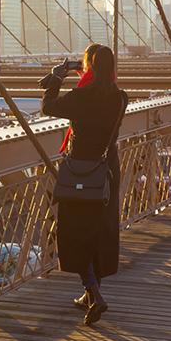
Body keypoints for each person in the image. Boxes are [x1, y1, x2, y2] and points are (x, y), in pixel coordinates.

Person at [41, 43, 128, 326]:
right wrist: (87, 71)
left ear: (89, 67)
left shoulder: (80, 96)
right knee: (99, 231)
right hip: (106, 171)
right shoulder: (120, 98)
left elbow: (48, 107)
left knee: (75, 232)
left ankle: (93, 293)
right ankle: (91, 294)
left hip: (79, 171)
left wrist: (57, 77)